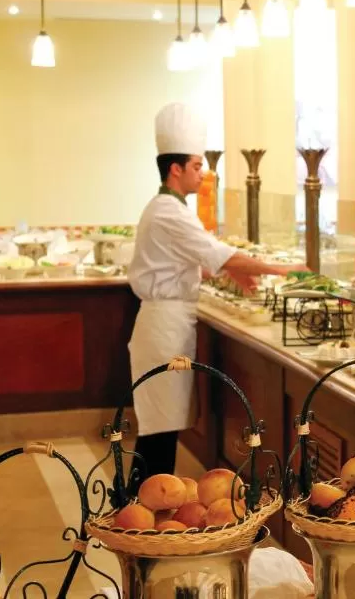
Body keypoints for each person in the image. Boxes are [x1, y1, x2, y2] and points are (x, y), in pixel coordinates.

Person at [127, 102, 298, 484]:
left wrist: (229, 271)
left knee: (162, 426)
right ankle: (143, 502)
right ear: (176, 169)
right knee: (159, 429)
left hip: (167, 323)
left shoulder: (167, 207)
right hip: (163, 327)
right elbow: (216, 252)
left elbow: (190, 260)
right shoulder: (169, 211)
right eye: (197, 165)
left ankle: (145, 500)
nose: (202, 173)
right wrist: (281, 270)